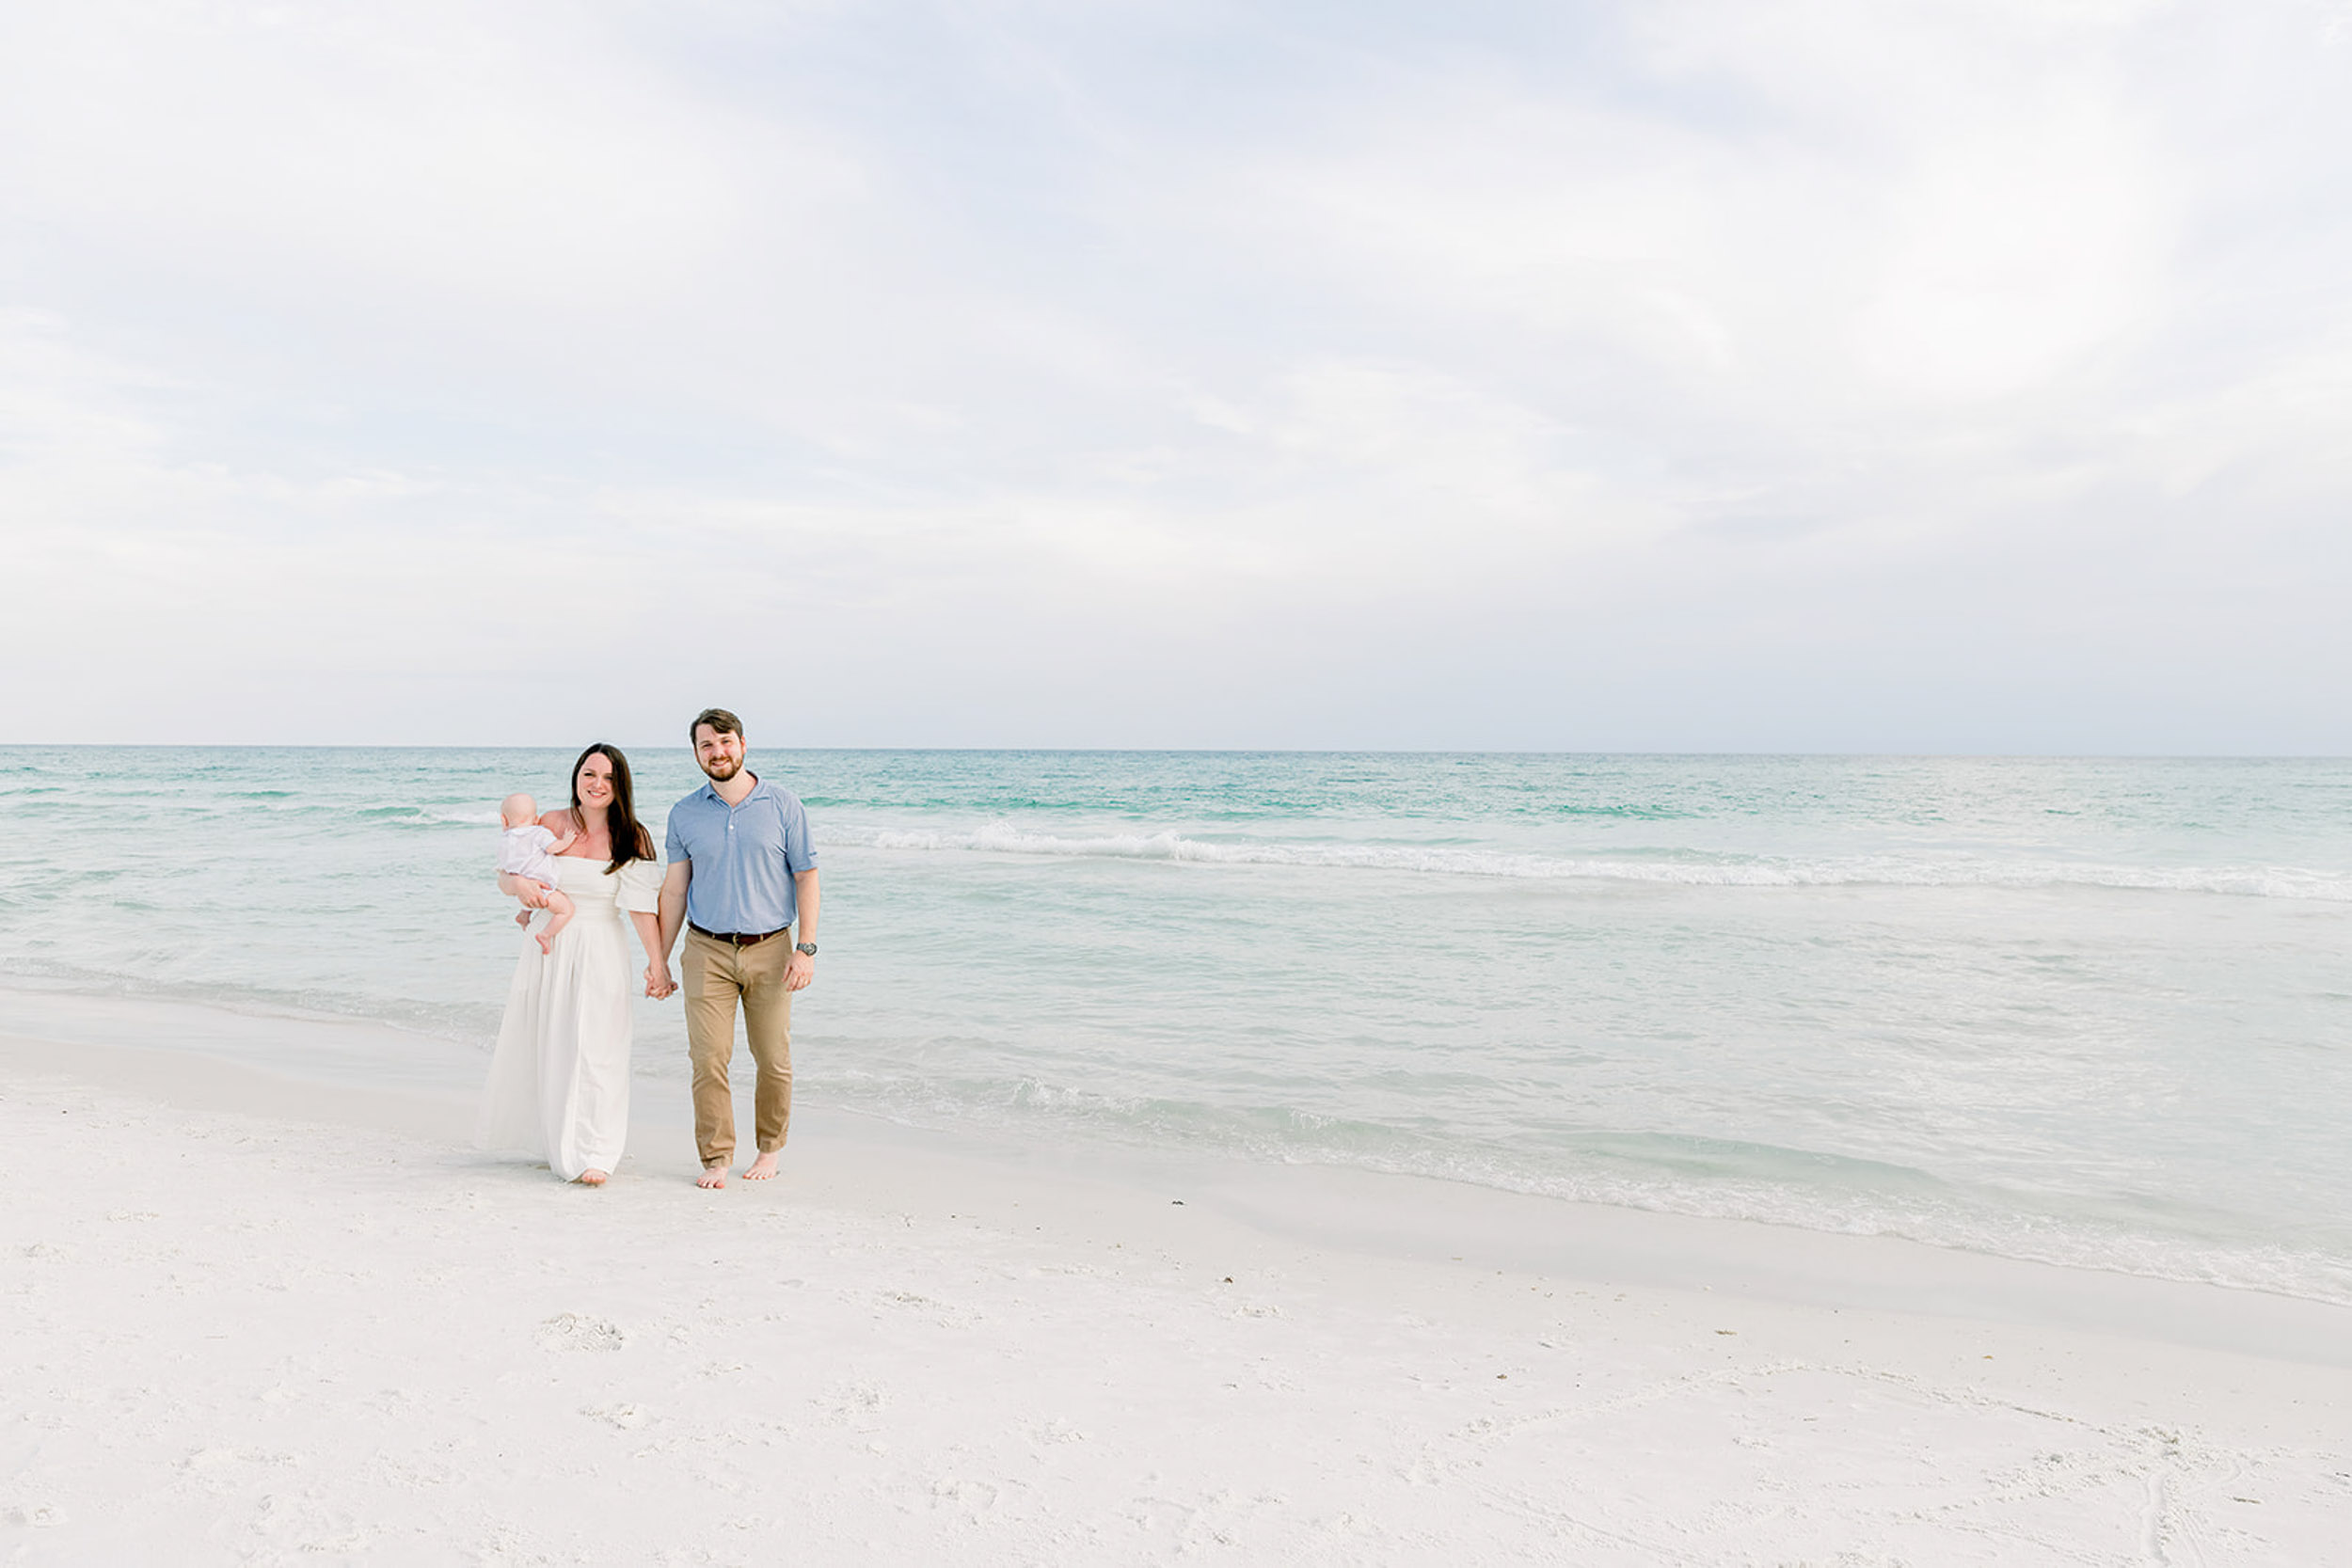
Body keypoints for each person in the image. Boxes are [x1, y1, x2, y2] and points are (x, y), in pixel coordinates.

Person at [477, 744, 675, 1186]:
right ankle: (556, 1141)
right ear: (576, 777)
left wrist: (657, 964)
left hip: (601, 946)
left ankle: (596, 1151)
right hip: (548, 945)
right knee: (553, 1042)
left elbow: (642, 907)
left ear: (620, 785)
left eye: (607, 778)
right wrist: (519, 883)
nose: (597, 785)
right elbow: (504, 874)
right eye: (589, 774)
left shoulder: (633, 836)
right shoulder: (549, 823)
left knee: (598, 1049)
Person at [652, 707, 819, 1190]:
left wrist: (805, 948)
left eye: (724, 742)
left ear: (742, 745)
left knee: (772, 1057)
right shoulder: (685, 813)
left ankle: (770, 1149)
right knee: (708, 1058)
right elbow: (674, 890)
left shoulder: (783, 805)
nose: (717, 752)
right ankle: (716, 1155)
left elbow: (806, 877)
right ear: (697, 753)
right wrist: (659, 960)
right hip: (706, 949)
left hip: (772, 947)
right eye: (706, 745)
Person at [496, 792, 576, 955]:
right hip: (542, 888)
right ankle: (546, 935)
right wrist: (565, 841)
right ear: (536, 819)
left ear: (504, 820)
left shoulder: (505, 840)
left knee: (529, 901)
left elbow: (504, 868)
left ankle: (524, 914)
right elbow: (552, 848)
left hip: (523, 890)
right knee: (566, 910)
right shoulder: (538, 832)